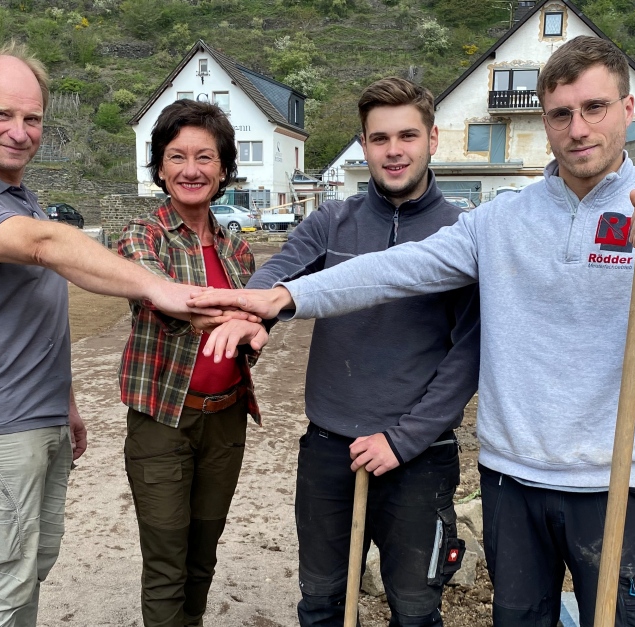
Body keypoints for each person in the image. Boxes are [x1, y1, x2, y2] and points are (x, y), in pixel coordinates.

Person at [191, 36, 635, 626]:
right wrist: (286, 296)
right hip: (511, 481)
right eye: (561, 114)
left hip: (614, 482)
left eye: (595, 108)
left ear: (628, 111)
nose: (578, 129)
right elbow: (394, 271)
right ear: (545, 122)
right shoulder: (499, 221)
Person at [0, 45, 214, 627]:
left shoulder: (20, 195)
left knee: (32, 562)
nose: (20, 132)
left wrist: (65, 401)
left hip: (39, 416)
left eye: (32, 119)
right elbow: (47, 246)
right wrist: (160, 289)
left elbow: (33, 310)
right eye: (3, 114)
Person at [234, 77, 479, 626]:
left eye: (408, 135)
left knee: (416, 611)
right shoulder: (332, 221)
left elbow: (468, 355)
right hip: (328, 450)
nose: (394, 150)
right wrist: (258, 313)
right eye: (379, 138)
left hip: (420, 455)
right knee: (321, 603)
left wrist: (403, 439)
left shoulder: (463, 233)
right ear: (364, 144)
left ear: (432, 139)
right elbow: (280, 272)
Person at [115, 99, 268, 627]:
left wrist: (257, 326)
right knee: (165, 564)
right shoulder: (142, 234)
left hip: (225, 419)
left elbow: (254, 323)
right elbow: (159, 290)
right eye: (176, 156)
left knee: (203, 555)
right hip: (162, 420)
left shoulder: (235, 250)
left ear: (223, 168)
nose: (191, 169)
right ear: (160, 167)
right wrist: (237, 312)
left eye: (205, 157)